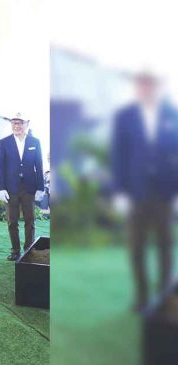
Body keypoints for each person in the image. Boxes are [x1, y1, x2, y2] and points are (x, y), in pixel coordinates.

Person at [111, 71, 178, 311]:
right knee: (136, 247)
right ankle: (141, 296)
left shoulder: (172, 114)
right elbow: (118, 156)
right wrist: (119, 192)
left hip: (165, 194)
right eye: (142, 85)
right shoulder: (125, 117)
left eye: (151, 85)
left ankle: (164, 297)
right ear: (137, 88)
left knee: (164, 245)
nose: (146, 89)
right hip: (135, 194)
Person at [0, 113, 45, 261]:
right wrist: (1, 188)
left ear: (27, 124)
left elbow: (39, 166)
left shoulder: (35, 142)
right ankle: (15, 251)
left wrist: (40, 187)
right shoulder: (4, 142)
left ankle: (29, 250)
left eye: (20, 123)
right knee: (12, 221)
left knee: (30, 221)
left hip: (29, 188)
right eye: (14, 123)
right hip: (11, 188)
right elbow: (0, 167)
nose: (16, 126)